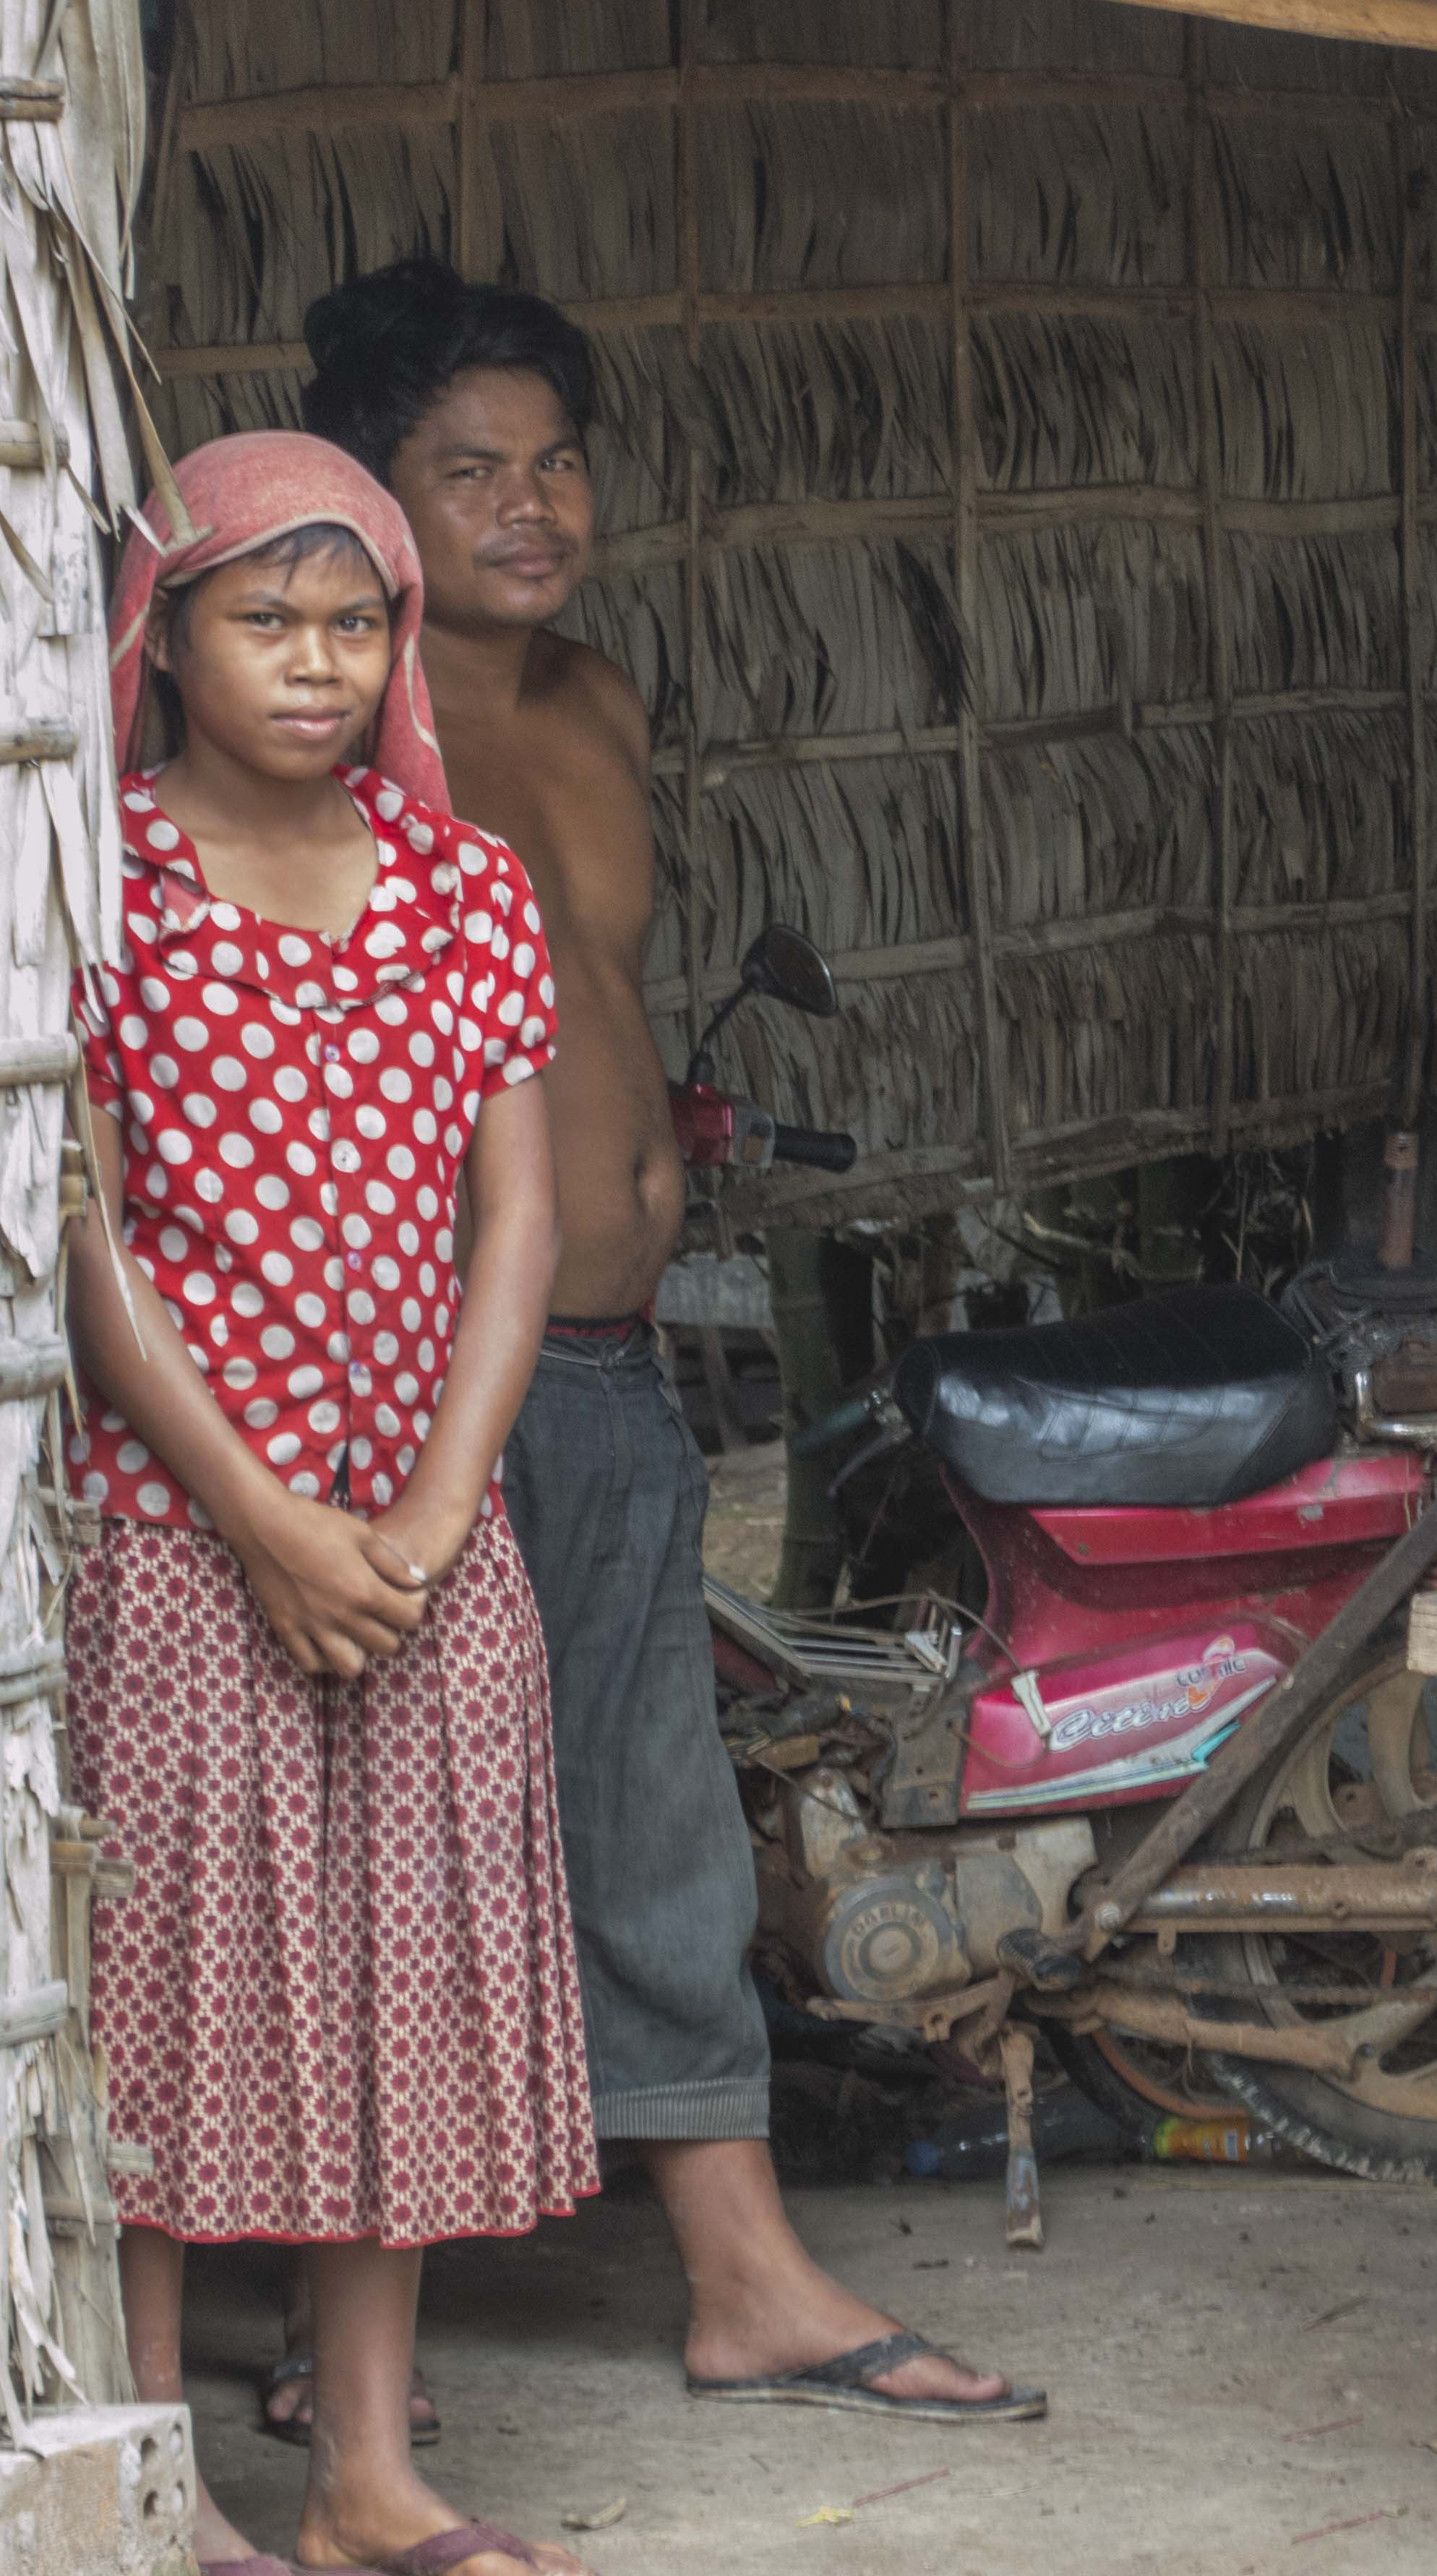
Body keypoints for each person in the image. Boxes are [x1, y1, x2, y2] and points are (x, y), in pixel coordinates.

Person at [283, 259, 1039, 2425]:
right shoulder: (322, 714)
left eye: (556, 463)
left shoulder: (597, 703)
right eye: (469, 471)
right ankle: (343, 2351)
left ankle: (740, 2275)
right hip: (396, 1370)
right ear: (372, 494)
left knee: (649, 1811)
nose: (531, 505)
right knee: (391, 1833)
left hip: (604, 1358)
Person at [66, 433, 593, 2576]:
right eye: (262, 620)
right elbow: (86, 1244)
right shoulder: (99, 882)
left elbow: (524, 1224)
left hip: (425, 1542)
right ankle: (155, 2482)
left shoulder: (466, 889)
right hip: (183, 1534)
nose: (312, 663)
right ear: (165, 639)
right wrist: (267, 1522)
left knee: (398, 1986)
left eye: (352, 622)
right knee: (166, 2001)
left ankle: (365, 2474)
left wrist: (438, 1507)